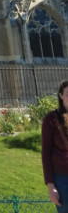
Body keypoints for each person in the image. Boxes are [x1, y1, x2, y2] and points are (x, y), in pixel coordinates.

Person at [42, 80, 68, 212]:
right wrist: (50, 185)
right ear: (61, 96)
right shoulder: (51, 119)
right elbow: (45, 154)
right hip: (63, 179)